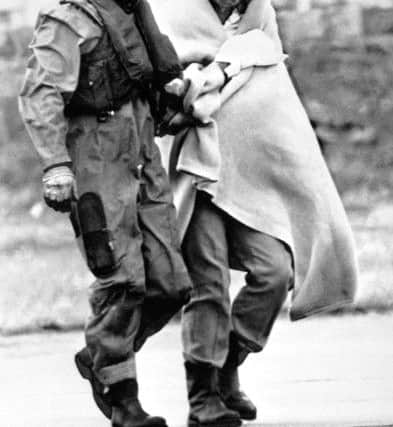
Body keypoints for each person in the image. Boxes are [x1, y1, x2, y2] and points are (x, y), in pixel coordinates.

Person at [149, 0, 358, 426]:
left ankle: (228, 367)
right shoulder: (172, 10)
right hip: (197, 172)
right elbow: (159, 91)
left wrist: (230, 69)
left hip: (253, 176)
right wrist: (196, 89)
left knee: (275, 270)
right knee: (207, 283)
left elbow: (271, 81)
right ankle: (203, 398)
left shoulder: (259, 10)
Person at [19, 1, 192, 426]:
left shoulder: (132, 9)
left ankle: (101, 356)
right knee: (122, 278)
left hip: (140, 143)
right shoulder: (68, 18)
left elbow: (149, 72)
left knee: (171, 282)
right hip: (94, 151)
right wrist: (56, 165)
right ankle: (122, 399)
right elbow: (41, 93)